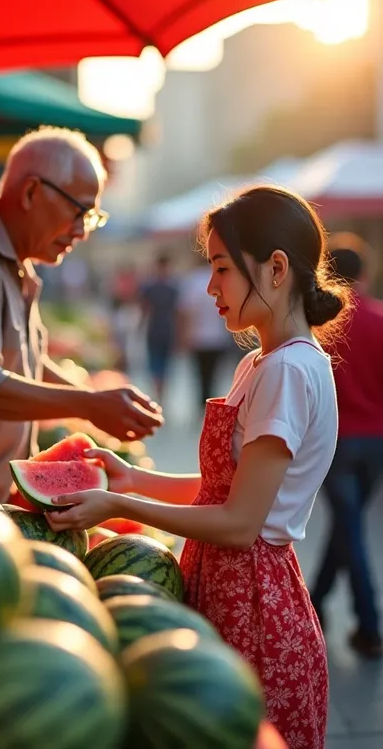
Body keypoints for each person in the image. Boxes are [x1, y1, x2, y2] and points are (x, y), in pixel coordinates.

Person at [46, 185, 352, 749]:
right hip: (233, 589)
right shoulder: (261, 363)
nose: (209, 287)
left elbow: (240, 522)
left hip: (253, 607)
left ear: (276, 268)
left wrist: (117, 504)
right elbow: (222, 491)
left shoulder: (287, 372)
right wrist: (132, 477)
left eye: (221, 269)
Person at [0, 126, 163, 503]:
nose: (81, 231)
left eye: (92, 217)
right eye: (79, 211)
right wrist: (87, 404)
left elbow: (23, 362)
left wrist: (93, 400)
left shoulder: (11, 265)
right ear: (31, 191)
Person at [310, 233, 383, 658]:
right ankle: (319, 605)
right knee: (348, 526)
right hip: (376, 443)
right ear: (367, 274)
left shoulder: (321, 327)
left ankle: (369, 625)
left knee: (348, 527)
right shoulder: (379, 320)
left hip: (335, 443)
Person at [178, 253, 238, 409]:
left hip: (197, 336)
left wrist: (184, 335)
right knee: (213, 374)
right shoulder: (219, 279)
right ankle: (210, 401)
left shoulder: (192, 281)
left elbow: (186, 311)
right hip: (217, 336)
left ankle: (202, 403)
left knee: (200, 373)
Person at [140, 254, 180, 402]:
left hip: (158, 329)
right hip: (163, 329)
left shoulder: (152, 287)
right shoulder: (172, 287)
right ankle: (161, 393)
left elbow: (145, 309)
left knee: (159, 364)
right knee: (161, 364)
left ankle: (160, 393)